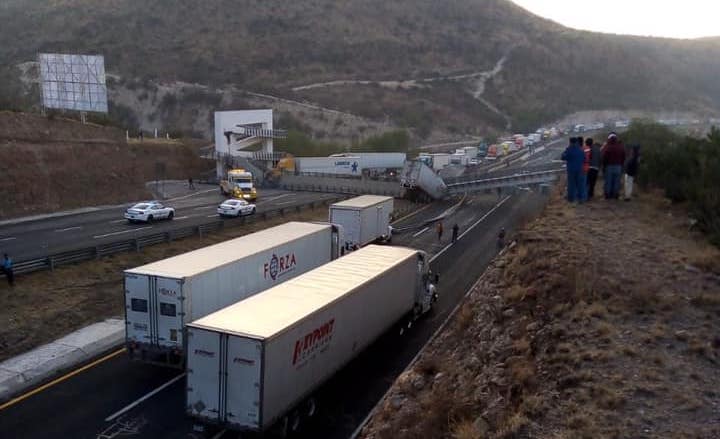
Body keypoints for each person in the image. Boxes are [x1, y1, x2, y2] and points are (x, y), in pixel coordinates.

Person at [601, 132, 626, 199]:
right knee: (617, 181)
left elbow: (604, 157)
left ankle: (608, 195)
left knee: (608, 181)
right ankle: (615, 195)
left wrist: (604, 165)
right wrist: (621, 164)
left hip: (609, 166)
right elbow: (624, 156)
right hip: (618, 166)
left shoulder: (607, 147)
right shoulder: (620, 147)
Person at [561, 137, 585, 203]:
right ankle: (581, 198)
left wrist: (566, 151)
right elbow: (584, 158)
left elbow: (563, 157)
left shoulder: (569, 150)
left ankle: (571, 199)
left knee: (571, 184)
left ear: (570, 142)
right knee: (580, 184)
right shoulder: (580, 150)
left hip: (571, 169)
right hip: (580, 169)